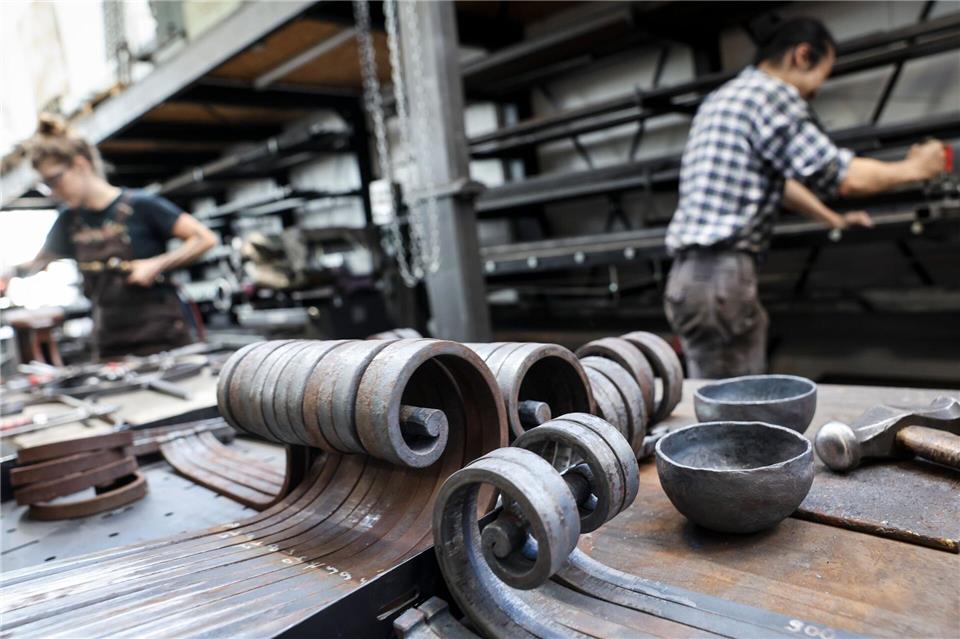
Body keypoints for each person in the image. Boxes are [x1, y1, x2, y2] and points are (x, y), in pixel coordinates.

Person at [663, 18, 946, 379]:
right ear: (802, 56)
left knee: (717, 389)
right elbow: (841, 176)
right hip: (720, 278)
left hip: (692, 279)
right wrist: (915, 169)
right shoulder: (771, 94)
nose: (816, 90)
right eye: (822, 75)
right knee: (736, 401)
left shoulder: (725, 98)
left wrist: (833, 219)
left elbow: (780, 183)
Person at [3, 114, 217, 359]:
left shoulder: (141, 205)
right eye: (45, 185)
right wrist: (9, 273)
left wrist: (156, 264)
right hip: (110, 343)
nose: (52, 192)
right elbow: (37, 263)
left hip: (163, 339)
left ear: (81, 165)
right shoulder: (68, 221)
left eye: (54, 180)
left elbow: (204, 238)